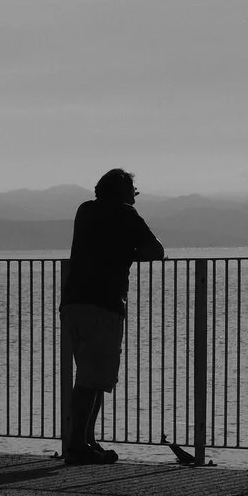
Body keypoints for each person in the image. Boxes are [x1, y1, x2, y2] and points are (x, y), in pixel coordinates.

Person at [60, 167, 165, 464]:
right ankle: (78, 446)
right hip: (103, 304)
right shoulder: (125, 214)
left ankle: (87, 441)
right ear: (123, 193)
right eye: (133, 192)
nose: (135, 197)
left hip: (73, 302)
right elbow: (155, 251)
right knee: (92, 378)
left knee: (92, 375)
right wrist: (128, 253)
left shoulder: (85, 210)